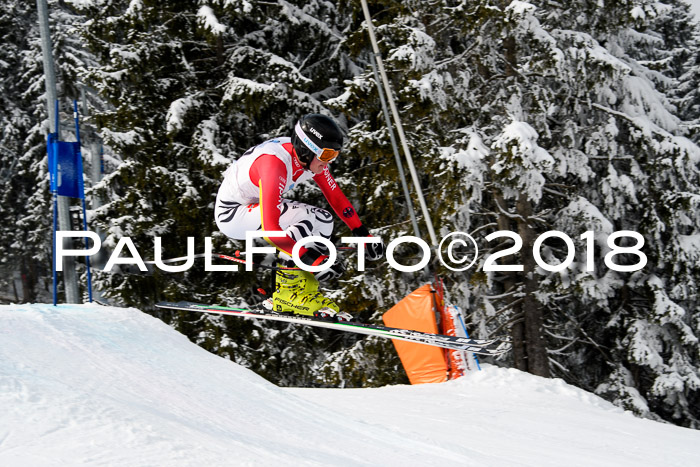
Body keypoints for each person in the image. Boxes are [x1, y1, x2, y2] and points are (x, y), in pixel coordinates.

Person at [214, 114, 384, 322]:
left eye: (334, 155)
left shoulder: (308, 160)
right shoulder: (274, 165)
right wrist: (311, 258)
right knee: (305, 217)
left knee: (323, 220)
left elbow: (336, 197)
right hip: (233, 213)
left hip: (250, 205)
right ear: (306, 150)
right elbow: (270, 229)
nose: (329, 162)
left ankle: (302, 291)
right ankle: (287, 294)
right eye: (327, 155)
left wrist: (361, 232)